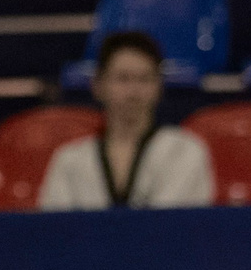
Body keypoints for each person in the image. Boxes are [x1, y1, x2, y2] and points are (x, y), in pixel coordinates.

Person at [37, 31, 214, 210]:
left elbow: (177, 229)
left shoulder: (185, 151)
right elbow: (56, 231)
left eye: (145, 79)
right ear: (98, 85)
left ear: (159, 86)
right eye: (123, 78)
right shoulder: (70, 160)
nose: (133, 92)